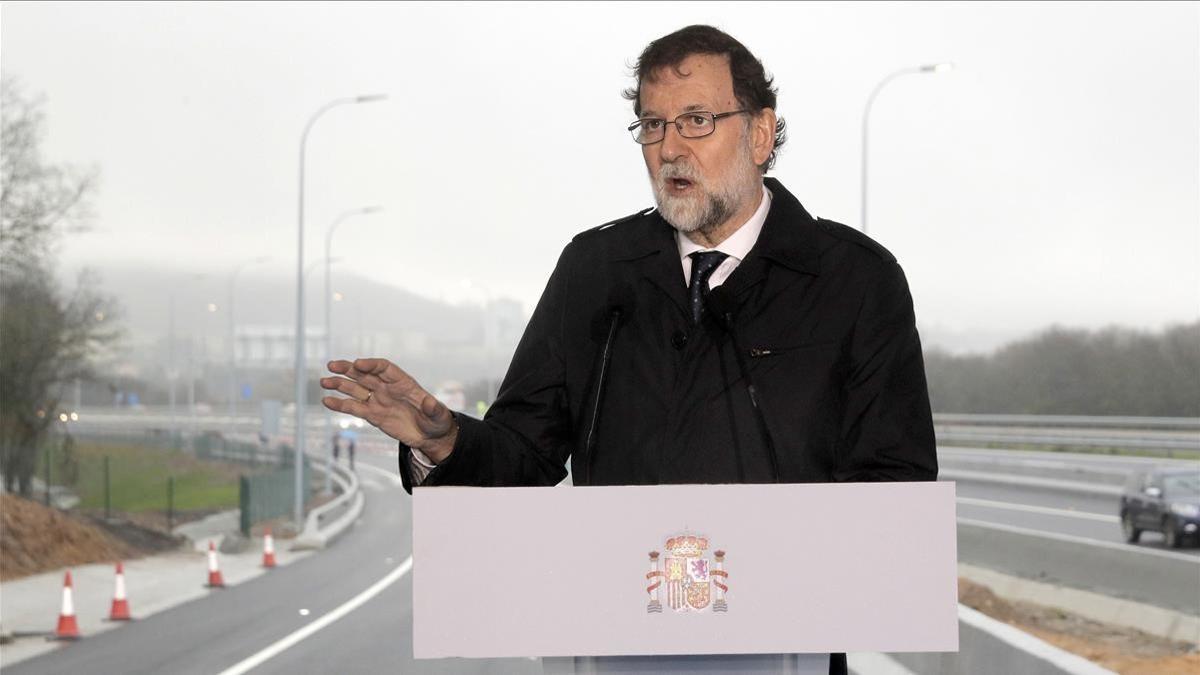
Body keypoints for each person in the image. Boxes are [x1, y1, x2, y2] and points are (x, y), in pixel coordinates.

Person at [322, 25, 936, 675]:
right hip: (615, 651)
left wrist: (773, 561)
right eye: (651, 125)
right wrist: (440, 441)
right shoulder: (595, 269)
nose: (669, 148)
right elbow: (524, 455)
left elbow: (893, 489)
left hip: (790, 654)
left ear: (759, 134)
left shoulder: (854, 280)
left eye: (696, 120)